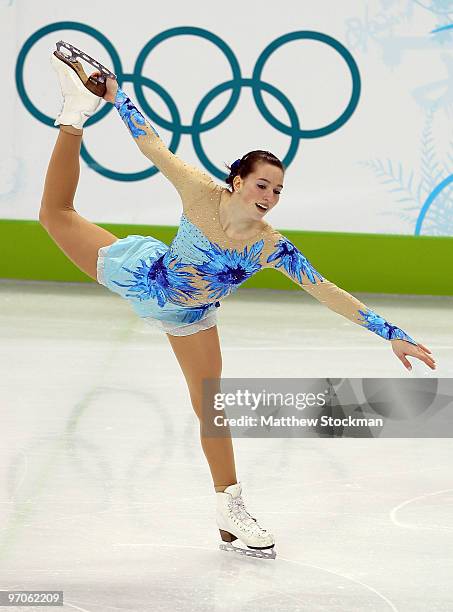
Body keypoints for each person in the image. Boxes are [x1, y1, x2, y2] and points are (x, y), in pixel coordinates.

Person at [39, 48, 436, 559]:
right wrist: (117, 98)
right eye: (261, 184)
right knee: (55, 213)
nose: (269, 195)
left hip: (191, 316)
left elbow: (326, 290)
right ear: (238, 181)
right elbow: (152, 145)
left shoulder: (272, 246)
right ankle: (73, 114)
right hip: (143, 276)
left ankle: (230, 508)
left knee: (211, 407)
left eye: (278, 189)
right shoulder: (202, 193)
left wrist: (391, 333)